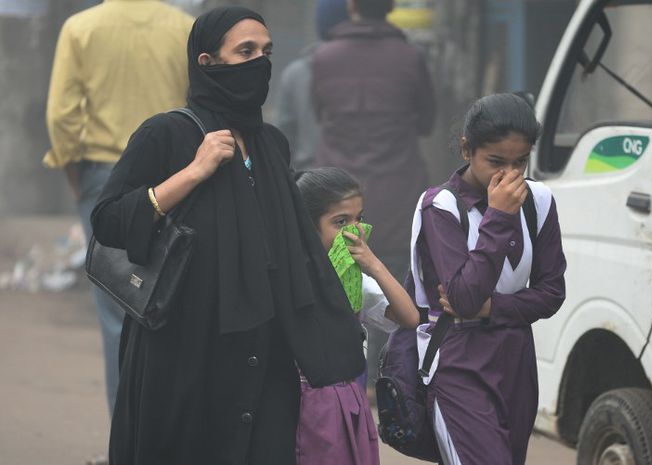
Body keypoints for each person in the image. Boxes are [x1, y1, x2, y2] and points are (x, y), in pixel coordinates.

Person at [90, 7, 365, 465]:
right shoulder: (168, 133)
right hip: (184, 348)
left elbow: (289, 237)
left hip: (262, 349)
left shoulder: (269, 144)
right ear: (206, 62)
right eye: (245, 51)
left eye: (266, 51)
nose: (260, 62)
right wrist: (195, 171)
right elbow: (110, 220)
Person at [44, 0, 194, 416]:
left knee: (118, 308)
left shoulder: (81, 28)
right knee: (175, 297)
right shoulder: (184, 27)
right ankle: (171, 437)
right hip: (176, 175)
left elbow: (62, 115)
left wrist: (74, 173)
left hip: (105, 176)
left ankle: (126, 441)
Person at [410, 94, 566, 465]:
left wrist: (493, 307)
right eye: (495, 162)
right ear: (467, 149)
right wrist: (497, 216)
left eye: (521, 162)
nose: (509, 175)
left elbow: (552, 293)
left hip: (515, 360)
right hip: (458, 360)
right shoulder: (441, 206)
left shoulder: (539, 200)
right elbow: (463, 299)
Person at [312, 0, 436, 386]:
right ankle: (387, 378)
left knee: (334, 275)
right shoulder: (410, 57)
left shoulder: (325, 57)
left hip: (335, 192)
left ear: (350, 6)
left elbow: (319, 114)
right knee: (391, 279)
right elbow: (428, 121)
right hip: (397, 187)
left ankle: (347, 375)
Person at [295, 167, 420, 465]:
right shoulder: (293, 281)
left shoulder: (354, 280)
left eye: (358, 219)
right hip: (305, 408)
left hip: (350, 401)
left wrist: (374, 264)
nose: (354, 231)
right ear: (307, 227)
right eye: (340, 222)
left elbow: (409, 317)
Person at [274, 0, 349, 170]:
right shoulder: (379, 68)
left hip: (310, 179)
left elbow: (284, 139)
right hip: (369, 181)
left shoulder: (297, 72)